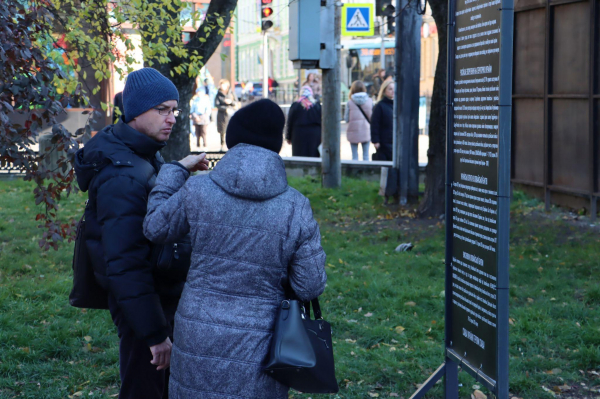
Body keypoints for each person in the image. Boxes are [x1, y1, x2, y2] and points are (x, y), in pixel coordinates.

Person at [143, 99, 328, 399]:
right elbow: (309, 285)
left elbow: (155, 227)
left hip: (196, 332)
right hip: (263, 342)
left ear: (232, 139)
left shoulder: (198, 190)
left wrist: (175, 171)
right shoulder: (296, 207)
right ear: (276, 145)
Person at [73, 67, 209, 399]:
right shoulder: (123, 176)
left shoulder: (140, 155)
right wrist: (153, 334)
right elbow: (124, 262)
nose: (172, 118)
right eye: (162, 109)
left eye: (174, 110)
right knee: (144, 392)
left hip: (153, 298)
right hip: (144, 306)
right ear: (135, 113)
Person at [285, 86, 322, 157]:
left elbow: (290, 122)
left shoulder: (295, 105)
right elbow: (322, 121)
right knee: (313, 156)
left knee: (299, 157)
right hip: (315, 135)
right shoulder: (317, 105)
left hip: (298, 134)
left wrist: (288, 137)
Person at [344, 80, 373, 161]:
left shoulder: (349, 103)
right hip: (366, 131)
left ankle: (354, 173)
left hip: (353, 131)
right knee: (366, 156)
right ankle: (365, 172)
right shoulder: (370, 101)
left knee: (354, 156)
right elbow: (372, 118)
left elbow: (346, 118)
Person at [371, 79, 395, 160]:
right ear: (384, 91)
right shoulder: (379, 106)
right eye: (390, 89)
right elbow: (374, 124)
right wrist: (375, 141)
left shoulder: (396, 105)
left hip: (394, 141)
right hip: (384, 142)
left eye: (394, 89)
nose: (393, 91)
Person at [215, 79, 237, 152]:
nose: (222, 86)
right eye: (221, 85)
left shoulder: (231, 93)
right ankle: (222, 145)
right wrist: (224, 109)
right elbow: (217, 104)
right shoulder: (218, 94)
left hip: (231, 113)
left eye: (223, 85)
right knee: (222, 130)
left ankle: (231, 145)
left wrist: (230, 102)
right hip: (222, 114)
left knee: (231, 129)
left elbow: (236, 102)